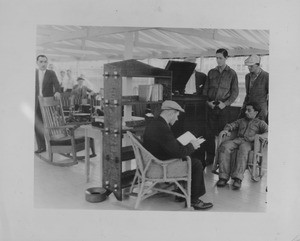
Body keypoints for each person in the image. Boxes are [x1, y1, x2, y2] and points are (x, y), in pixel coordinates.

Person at [143, 100, 213, 210]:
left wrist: (179, 144)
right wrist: (192, 146)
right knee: (196, 163)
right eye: (177, 115)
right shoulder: (162, 128)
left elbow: (167, 146)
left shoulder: (156, 123)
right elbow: (178, 153)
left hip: (154, 160)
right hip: (161, 166)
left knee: (188, 158)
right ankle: (194, 200)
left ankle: (182, 193)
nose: (177, 118)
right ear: (170, 112)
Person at [216, 102, 268, 189]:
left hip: (249, 143)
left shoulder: (260, 123)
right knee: (224, 146)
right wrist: (227, 130)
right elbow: (231, 125)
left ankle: (237, 178)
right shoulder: (241, 121)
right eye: (245, 110)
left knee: (243, 149)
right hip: (238, 140)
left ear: (256, 112)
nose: (246, 112)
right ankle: (223, 177)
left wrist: (260, 136)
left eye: (249, 110)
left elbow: (268, 131)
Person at [201, 48, 239, 166]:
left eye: (220, 58)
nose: (218, 60)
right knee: (209, 134)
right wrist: (208, 102)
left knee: (223, 134)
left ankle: (221, 160)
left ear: (226, 58)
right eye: (216, 58)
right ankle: (210, 158)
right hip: (211, 106)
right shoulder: (211, 72)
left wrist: (225, 104)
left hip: (224, 107)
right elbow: (205, 90)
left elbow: (235, 92)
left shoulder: (232, 73)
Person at [35, 55, 61, 153]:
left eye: (45, 62)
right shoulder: (33, 73)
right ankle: (42, 147)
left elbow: (57, 84)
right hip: (36, 103)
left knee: (51, 124)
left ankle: (56, 145)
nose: (43, 64)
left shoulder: (51, 73)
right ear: (37, 62)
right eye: (41, 62)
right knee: (38, 125)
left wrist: (58, 91)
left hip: (48, 103)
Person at [241, 54, 269, 122]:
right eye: (248, 66)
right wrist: (243, 107)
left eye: (251, 66)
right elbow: (248, 94)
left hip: (261, 111)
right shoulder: (247, 76)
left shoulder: (266, 76)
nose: (249, 68)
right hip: (249, 110)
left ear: (258, 65)